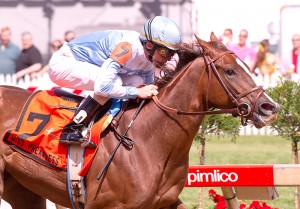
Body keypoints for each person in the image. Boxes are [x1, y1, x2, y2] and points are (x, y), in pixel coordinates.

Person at [48, 16, 182, 147]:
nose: (169, 58)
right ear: (149, 45)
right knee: (116, 82)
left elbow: (147, 92)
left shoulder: (147, 61)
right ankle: (72, 129)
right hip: (64, 63)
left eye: (173, 53)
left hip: (87, 65)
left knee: (137, 81)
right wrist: (136, 91)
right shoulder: (127, 48)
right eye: (165, 51)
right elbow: (102, 88)